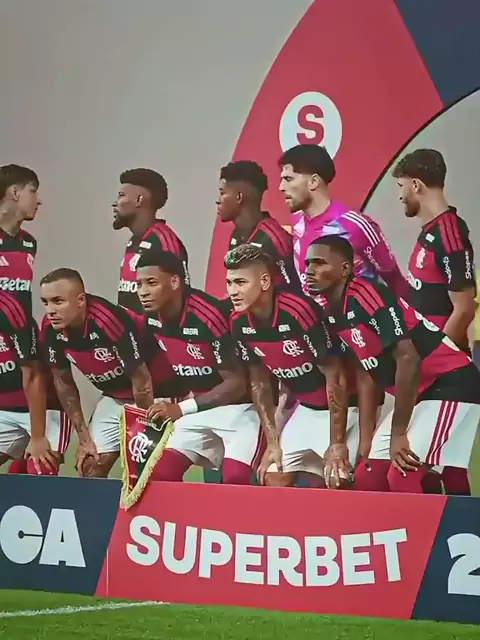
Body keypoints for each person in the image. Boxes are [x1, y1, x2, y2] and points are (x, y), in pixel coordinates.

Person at [306, 235, 480, 494]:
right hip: (421, 394)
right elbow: (366, 373)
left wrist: (398, 433)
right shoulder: (331, 311)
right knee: (369, 477)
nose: (310, 270)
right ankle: (438, 505)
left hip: (451, 383)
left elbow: (408, 358)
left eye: (319, 263)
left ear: (345, 269)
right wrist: (366, 440)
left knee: (403, 475)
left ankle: (434, 518)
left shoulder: (367, 295)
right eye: (308, 263)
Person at [225, 244, 367, 489]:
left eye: (240, 282)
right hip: (307, 408)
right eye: (229, 283)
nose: (233, 291)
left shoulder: (297, 311)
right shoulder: (238, 322)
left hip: (347, 408)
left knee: (338, 480)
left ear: (265, 281)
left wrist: (337, 443)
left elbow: (335, 376)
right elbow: (259, 384)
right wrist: (272, 443)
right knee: (272, 477)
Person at [136, 249, 263, 484]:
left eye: (151, 283)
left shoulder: (208, 316)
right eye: (139, 284)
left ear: (175, 282)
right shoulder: (151, 318)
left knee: (235, 478)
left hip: (241, 410)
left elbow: (236, 384)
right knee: (159, 475)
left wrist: (180, 408)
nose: (143, 292)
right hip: (200, 409)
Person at [393, 148, 476, 496]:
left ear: (416, 185)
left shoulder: (451, 233)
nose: (400, 196)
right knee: (443, 473)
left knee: (414, 472)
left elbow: (464, 308)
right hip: (429, 371)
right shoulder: (429, 231)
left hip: (444, 374)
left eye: (401, 187)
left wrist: (436, 358)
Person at [40, 268, 177, 478]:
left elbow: (141, 379)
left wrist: (144, 430)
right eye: (46, 302)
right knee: (89, 466)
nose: (50, 310)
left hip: (154, 396)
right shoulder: (50, 328)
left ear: (80, 300)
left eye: (58, 301)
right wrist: (84, 439)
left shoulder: (107, 320)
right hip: (115, 397)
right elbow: (63, 383)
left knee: (149, 471)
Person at [279, 144, 407, 300]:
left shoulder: (354, 226)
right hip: (317, 315)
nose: (281, 187)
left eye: (288, 179)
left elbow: (394, 280)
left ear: (314, 181)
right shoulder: (297, 220)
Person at [0, 291, 61, 475]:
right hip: (4, 409)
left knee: (40, 468)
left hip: (44, 407)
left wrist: (37, 437)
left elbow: (34, 375)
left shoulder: (10, 311)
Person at [113, 168, 189, 314]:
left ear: (139, 200)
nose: (115, 203)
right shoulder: (134, 241)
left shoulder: (163, 241)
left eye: (121, 195)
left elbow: (179, 299)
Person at [217, 160, 300, 291]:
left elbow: (294, 291)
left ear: (239, 197)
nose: (218, 200)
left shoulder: (274, 239)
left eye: (222, 193)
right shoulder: (236, 235)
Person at [0, 164, 41, 315]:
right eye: (32, 191)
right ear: (15, 193)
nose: (38, 200)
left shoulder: (29, 242)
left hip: (22, 328)